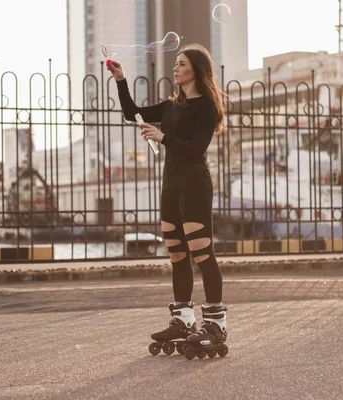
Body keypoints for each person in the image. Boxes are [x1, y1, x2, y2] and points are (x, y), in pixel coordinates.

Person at [107, 43, 227, 353]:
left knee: (201, 253)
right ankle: (183, 319)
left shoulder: (207, 107)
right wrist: (121, 80)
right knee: (176, 253)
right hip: (170, 185)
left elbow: (196, 148)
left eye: (182, 64)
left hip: (194, 184)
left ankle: (215, 322)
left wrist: (163, 137)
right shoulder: (172, 105)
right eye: (175, 63)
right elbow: (131, 114)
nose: (175, 68)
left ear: (196, 71)